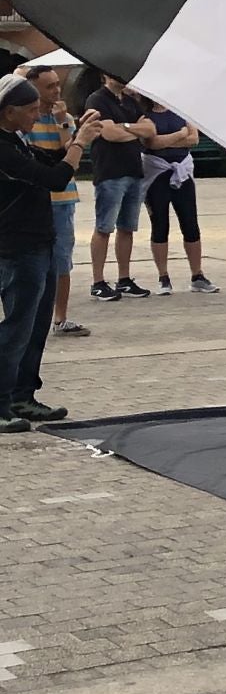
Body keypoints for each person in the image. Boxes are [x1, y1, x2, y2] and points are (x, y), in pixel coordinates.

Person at [0, 76, 103, 431]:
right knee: (17, 328)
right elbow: (54, 179)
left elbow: (52, 159)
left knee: (35, 328)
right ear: (9, 112)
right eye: (30, 110)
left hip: (40, 244)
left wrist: (76, 136)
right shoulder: (2, 148)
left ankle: (22, 396)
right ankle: (2, 403)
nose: (36, 115)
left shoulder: (18, 139)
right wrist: (81, 143)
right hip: (15, 249)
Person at [24, 65, 87, 336]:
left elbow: (72, 157)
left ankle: (60, 318)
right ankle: (30, 316)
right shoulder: (26, 119)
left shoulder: (65, 117)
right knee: (30, 260)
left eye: (57, 84)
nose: (57, 90)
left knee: (62, 259)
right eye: (49, 86)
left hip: (64, 198)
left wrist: (62, 122)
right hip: (35, 199)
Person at [84, 74, 156, 301]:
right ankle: (98, 281)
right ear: (104, 74)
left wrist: (124, 127)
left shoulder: (130, 101)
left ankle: (124, 279)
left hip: (134, 171)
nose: (123, 77)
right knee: (104, 227)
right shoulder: (97, 100)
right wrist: (134, 131)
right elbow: (108, 134)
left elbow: (150, 130)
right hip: (110, 172)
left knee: (127, 228)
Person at [142, 103, 215, 295]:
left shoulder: (181, 110)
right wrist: (180, 135)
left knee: (190, 223)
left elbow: (193, 139)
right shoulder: (144, 114)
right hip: (157, 173)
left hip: (183, 171)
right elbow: (151, 143)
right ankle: (163, 277)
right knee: (160, 224)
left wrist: (167, 140)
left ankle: (197, 275)